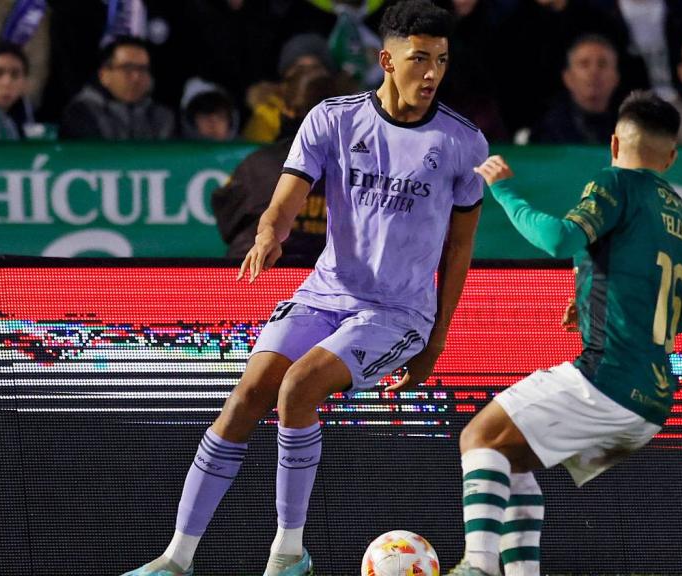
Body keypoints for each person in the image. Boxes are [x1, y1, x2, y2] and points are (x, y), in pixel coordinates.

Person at [123, 1, 487, 575]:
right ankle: (175, 560)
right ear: (386, 60)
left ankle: (288, 555)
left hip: (397, 312)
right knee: (247, 395)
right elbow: (286, 200)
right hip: (325, 293)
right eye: (420, 59)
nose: (432, 74)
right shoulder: (334, 119)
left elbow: (459, 249)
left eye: (441, 60)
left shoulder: (463, 143)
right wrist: (269, 234)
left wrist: (436, 341)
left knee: (297, 389)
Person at [449, 91, 682, 576]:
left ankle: (477, 567)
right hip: (652, 403)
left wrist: (504, 191)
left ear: (614, 143)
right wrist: (595, 300)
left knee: (479, 436)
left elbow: (558, 239)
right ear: (671, 157)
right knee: (511, 462)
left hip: (606, 378)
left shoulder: (615, 183)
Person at [211, 68, 340, 260]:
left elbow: (227, 217)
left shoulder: (256, 165)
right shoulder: (355, 168)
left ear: (288, 110)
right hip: (324, 281)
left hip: (259, 278)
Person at [60, 36, 175, 140]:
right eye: (127, 68)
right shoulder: (83, 113)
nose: (136, 77)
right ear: (104, 75)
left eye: (142, 69)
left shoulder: (162, 116)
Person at [531, 34, 621, 144]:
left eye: (602, 64)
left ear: (615, 77)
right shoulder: (545, 132)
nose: (594, 72)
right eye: (584, 64)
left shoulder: (634, 130)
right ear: (568, 78)